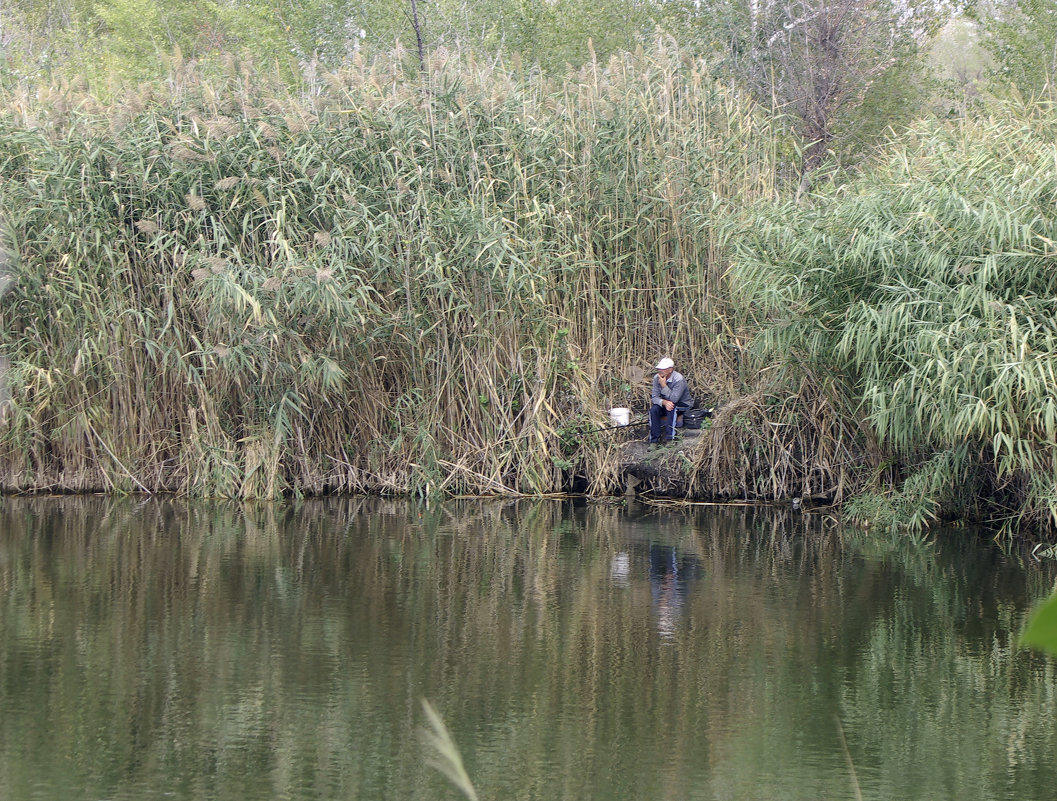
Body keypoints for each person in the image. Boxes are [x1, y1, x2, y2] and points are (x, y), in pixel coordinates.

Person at [649, 357, 694, 443]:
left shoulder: (678, 379)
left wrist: (664, 386)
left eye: (663, 369)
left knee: (672, 407)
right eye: (659, 368)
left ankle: (670, 438)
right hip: (666, 403)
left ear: (670, 370)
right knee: (654, 409)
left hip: (683, 404)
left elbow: (674, 399)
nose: (660, 370)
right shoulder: (656, 378)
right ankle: (654, 441)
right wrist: (664, 402)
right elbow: (654, 397)